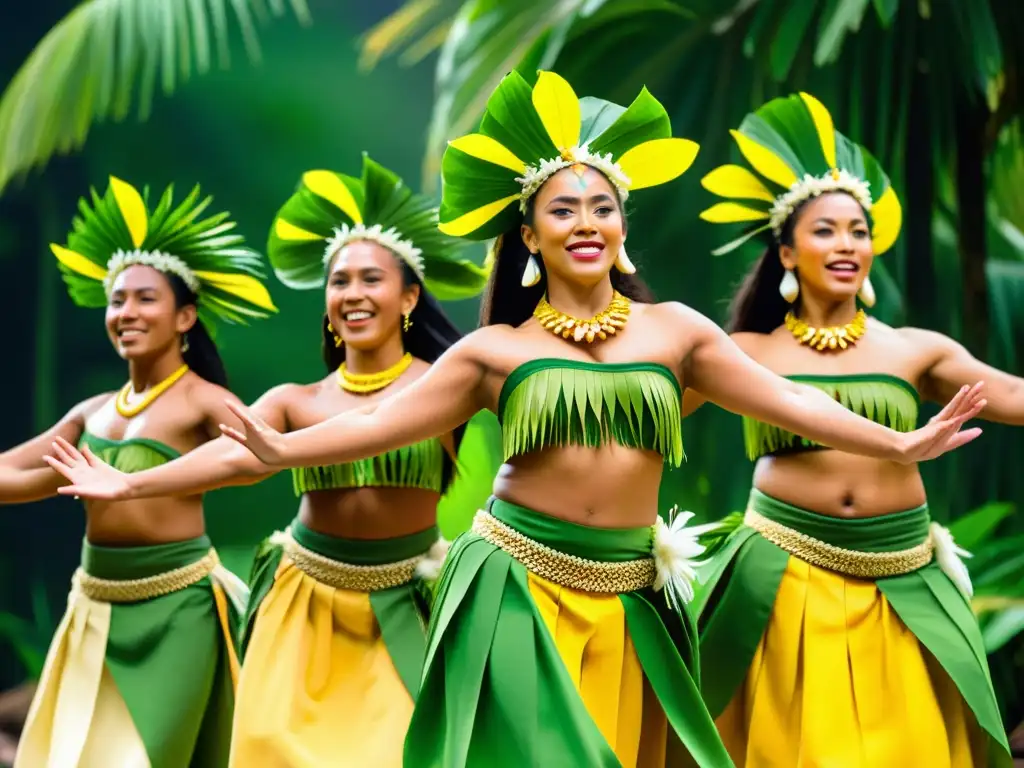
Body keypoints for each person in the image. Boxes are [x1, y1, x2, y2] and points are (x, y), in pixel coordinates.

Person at [53, 72, 984, 768]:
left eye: (604, 206)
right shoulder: (493, 352)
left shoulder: (679, 335)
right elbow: (381, 426)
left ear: (624, 227)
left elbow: (792, 403)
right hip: (519, 586)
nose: (587, 221)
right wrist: (282, 447)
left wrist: (897, 440)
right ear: (529, 239)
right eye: (562, 209)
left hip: (628, 601)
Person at [45, 155, 490, 767]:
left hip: (408, 601)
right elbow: (233, 456)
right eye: (339, 282)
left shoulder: (447, 386)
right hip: (306, 600)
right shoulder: (293, 401)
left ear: (409, 295)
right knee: (272, 752)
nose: (352, 295)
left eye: (370, 279)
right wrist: (129, 485)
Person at [690, 91, 1017, 766]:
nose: (847, 244)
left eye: (858, 231)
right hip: (782, 575)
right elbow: (638, 405)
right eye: (826, 230)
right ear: (785, 252)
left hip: (903, 579)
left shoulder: (912, 350)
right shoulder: (744, 352)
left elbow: (1012, 395)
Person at [5, 176, 277, 767]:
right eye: (117, 300)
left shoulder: (203, 400)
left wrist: (137, 481)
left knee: (143, 758)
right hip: (94, 609)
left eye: (144, 298)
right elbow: (15, 476)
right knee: (73, 756)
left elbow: (259, 455)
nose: (126, 312)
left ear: (185, 317)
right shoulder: (91, 413)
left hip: (178, 610)